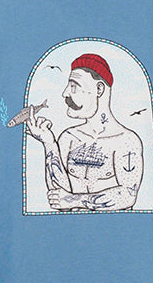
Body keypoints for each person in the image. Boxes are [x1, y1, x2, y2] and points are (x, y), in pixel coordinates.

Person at [25, 53, 144, 212]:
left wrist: (74, 200)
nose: (65, 93)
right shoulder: (68, 138)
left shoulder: (127, 141)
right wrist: (49, 143)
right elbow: (58, 198)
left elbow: (127, 195)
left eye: (73, 86)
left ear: (99, 89)